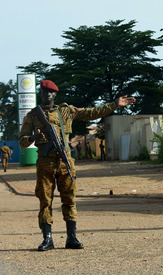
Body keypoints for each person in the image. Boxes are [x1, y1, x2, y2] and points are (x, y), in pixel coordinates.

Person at [18, 80, 136, 251]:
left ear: (55, 95)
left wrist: (114, 105)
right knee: (45, 200)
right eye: (44, 93)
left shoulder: (66, 111)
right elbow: (22, 141)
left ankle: (71, 238)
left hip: (65, 162)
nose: (47, 95)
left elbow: (91, 113)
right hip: (45, 162)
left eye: (50, 93)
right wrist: (33, 139)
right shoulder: (32, 115)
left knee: (69, 199)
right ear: (40, 94)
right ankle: (47, 238)